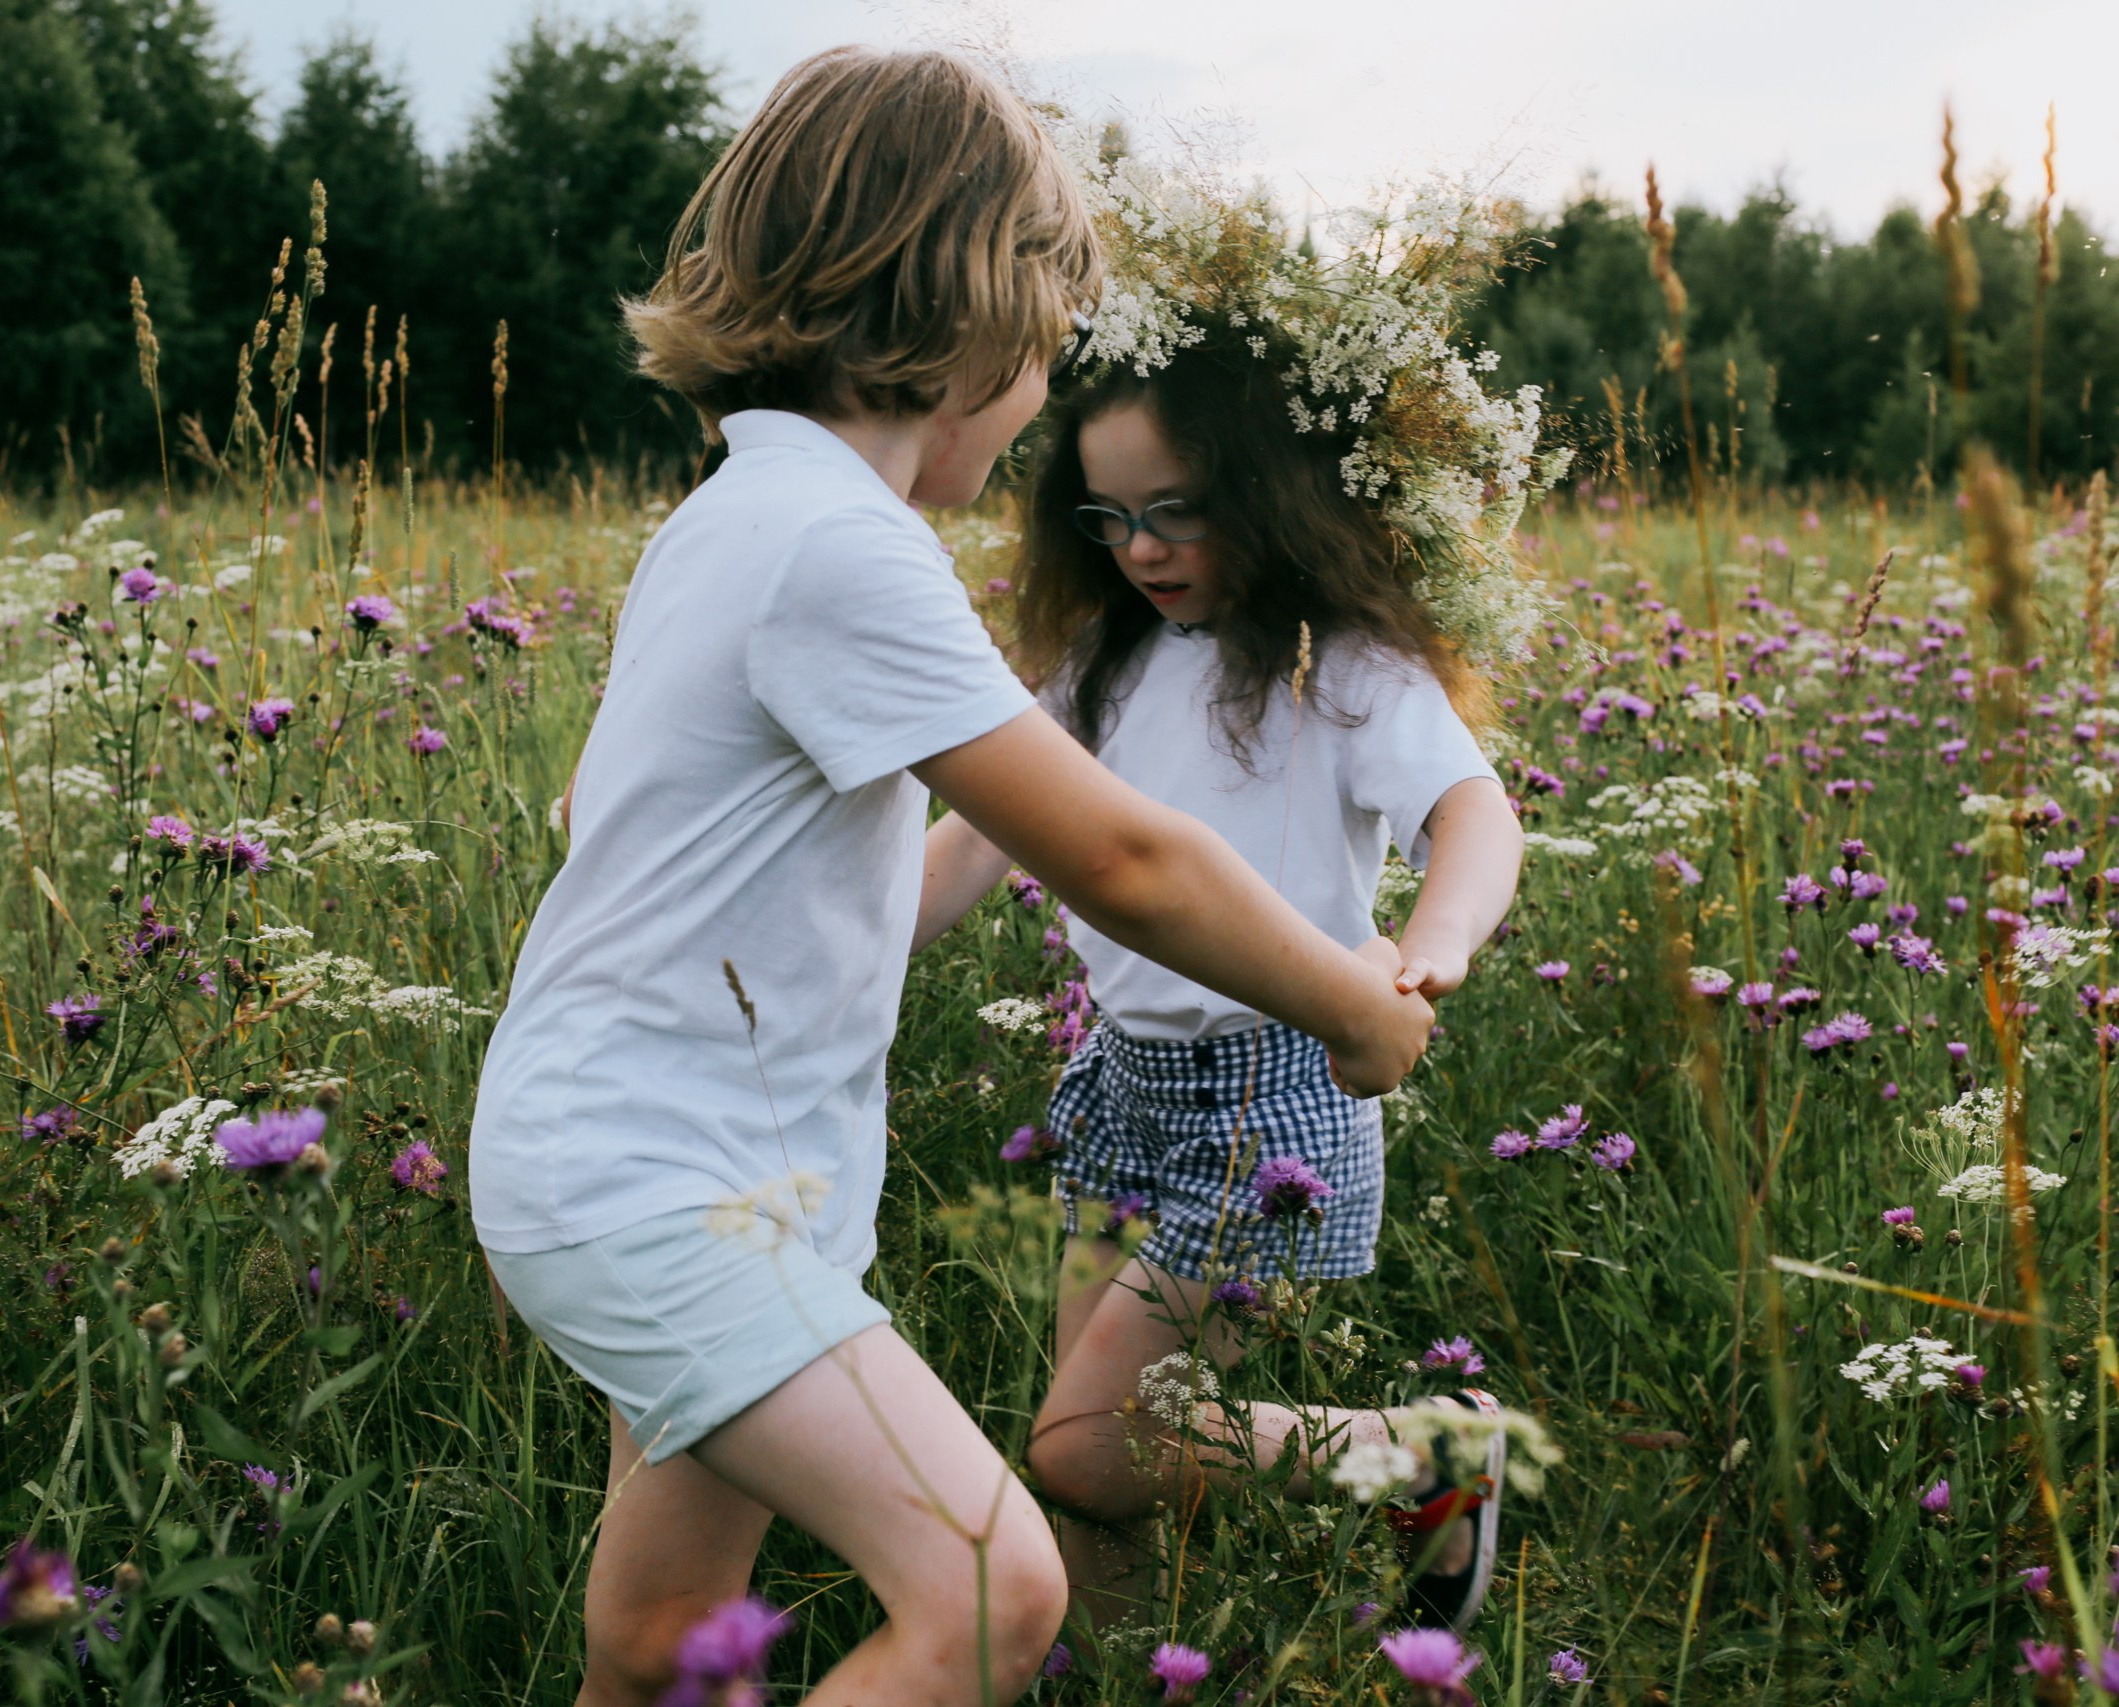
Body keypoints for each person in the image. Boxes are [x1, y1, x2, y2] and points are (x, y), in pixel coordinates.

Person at [466, 48, 1436, 1707]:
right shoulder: (846, 543)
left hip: (664, 1167)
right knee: (989, 1592)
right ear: (970, 312)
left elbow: (600, 824)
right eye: (1044, 357)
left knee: (659, 1646)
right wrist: (1354, 1003)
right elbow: (1125, 858)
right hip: (663, 1184)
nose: (1039, 405)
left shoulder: (730, 518)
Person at [913, 340, 1528, 1642]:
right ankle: (1120, 1662)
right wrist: (828, 958)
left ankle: (1417, 1452)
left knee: (1088, 1441)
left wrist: (1433, 946)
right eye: (1111, 520)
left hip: (1277, 1101)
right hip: (1120, 1084)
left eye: (1176, 512)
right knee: (1097, 1447)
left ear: (1273, 492)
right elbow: (973, 841)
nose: (1141, 550)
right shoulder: (1106, 666)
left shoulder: (1343, 664)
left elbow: (1475, 814)